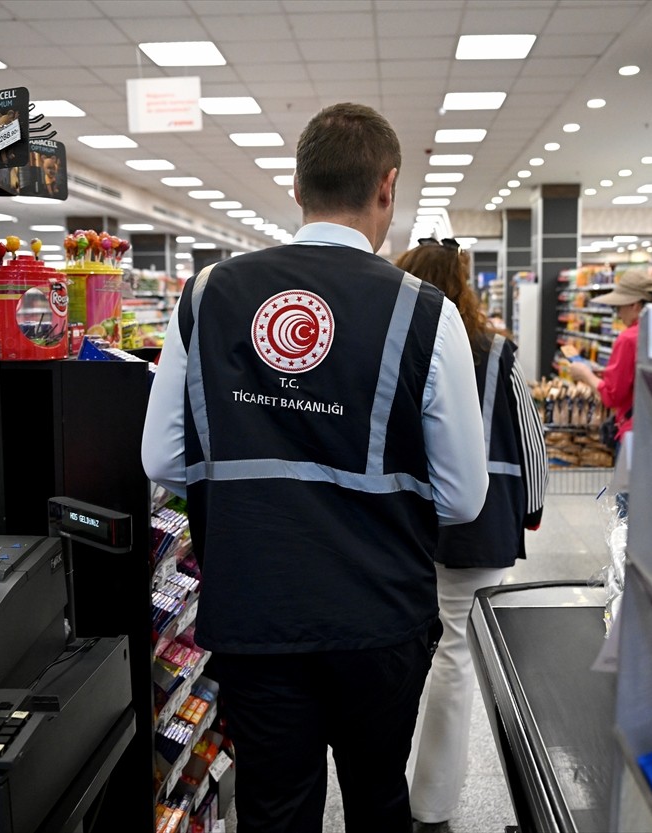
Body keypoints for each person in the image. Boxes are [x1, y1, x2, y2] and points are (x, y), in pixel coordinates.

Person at [141, 102, 489, 833]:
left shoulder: (207, 295)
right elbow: (461, 495)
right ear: (387, 188)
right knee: (376, 792)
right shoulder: (427, 312)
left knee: (275, 803)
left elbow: (162, 457)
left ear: (298, 188)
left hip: (255, 611)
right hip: (380, 616)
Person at [394, 239, 548, 833]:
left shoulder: (393, 342)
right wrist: (530, 509)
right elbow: (528, 436)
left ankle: (381, 775)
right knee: (454, 652)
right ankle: (431, 802)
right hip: (478, 526)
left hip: (400, 527)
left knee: (402, 649)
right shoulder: (496, 351)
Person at [567, 268, 652, 449]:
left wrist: (585, 375)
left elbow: (612, 397)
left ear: (635, 305)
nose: (618, 314)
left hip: (634, 433)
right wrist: (608, 373)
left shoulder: (628, 339)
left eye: (619, 307)